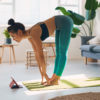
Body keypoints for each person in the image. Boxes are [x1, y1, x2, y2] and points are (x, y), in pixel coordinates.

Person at [7, 15, 73, 85]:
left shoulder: (33, 33)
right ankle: (53, 78)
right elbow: (37, 55)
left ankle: (56, 79)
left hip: (65, 21)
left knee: (62, 52)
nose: (13, 39)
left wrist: (45, 75)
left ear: (19, 32)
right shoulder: (30, 37)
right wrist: (43, 75)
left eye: (13, 36)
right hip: (58, 24)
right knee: (58, 52)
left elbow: (41, 56)